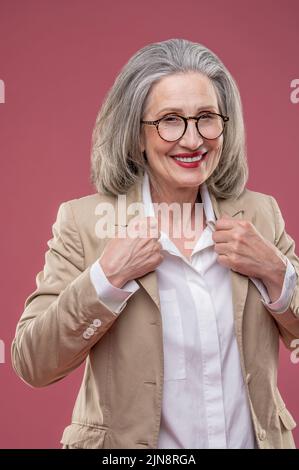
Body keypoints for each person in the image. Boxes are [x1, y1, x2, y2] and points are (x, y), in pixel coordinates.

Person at [12, 38, 299, 449]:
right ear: (136, 136)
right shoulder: (84, 223)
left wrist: (277, 272)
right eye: (169, 120)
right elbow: (32, 362)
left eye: (206, 117)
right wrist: (105, 279)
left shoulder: (260, 214)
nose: (193, 139)